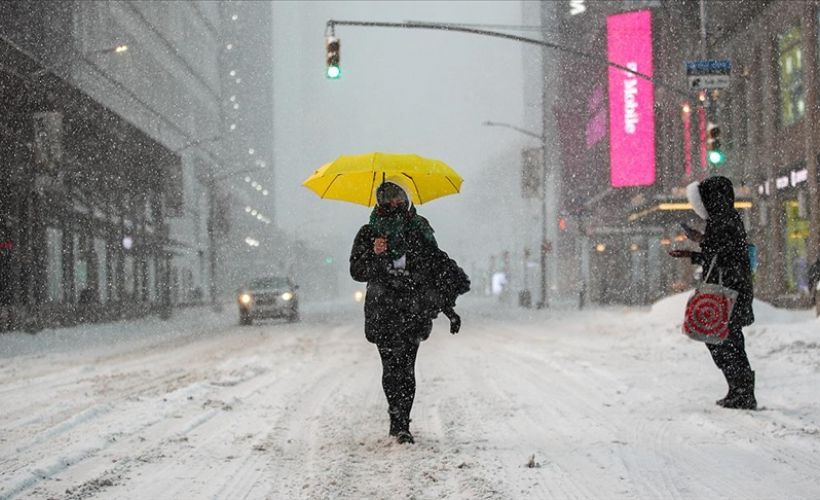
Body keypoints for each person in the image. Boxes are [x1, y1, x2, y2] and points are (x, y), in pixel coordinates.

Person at [349, 177, 469, 444]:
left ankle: (403, 424)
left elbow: (436, 270)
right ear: (380, 201)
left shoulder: (419, 229)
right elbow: (357, 271)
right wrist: (375, 254)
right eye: (389, 197)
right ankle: (396, 420)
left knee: (407, 368)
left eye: (399, 196)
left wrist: (448, 309)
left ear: (406, 198)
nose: (395, 202)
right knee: (391, 368)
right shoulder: (369, 233)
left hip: (412, 310)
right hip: (383, 310)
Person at [669, 176, 757, 410]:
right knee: (726, 340)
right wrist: (699, 245)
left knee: (724, 341)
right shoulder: (726, 219)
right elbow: (721, 253)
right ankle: (739, 389)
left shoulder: (723, 221)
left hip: (728, 292)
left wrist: (697, 248)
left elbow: (722, 256)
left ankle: (742, 391)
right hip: (732, 290)